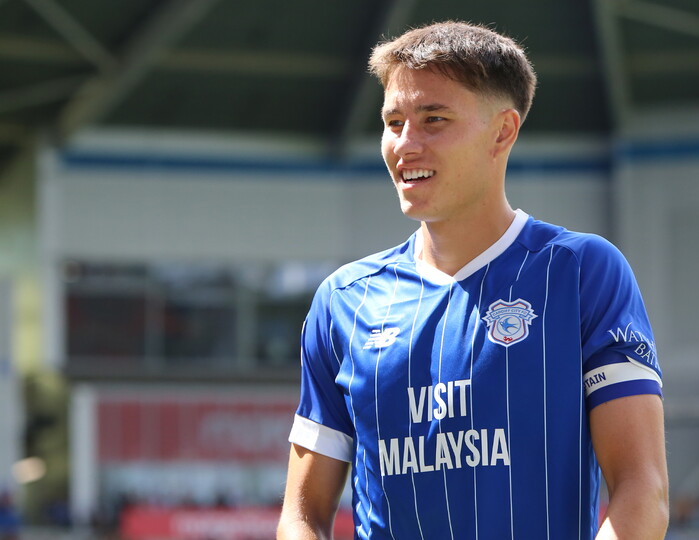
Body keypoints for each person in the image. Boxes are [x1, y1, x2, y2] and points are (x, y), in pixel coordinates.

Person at [277, 21, 668, 540]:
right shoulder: (344, 300)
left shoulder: (581, 272)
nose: (405, 144)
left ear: (503, 131)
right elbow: (302, 514)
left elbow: (642, 489)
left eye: (433, 120)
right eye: (393, 122)